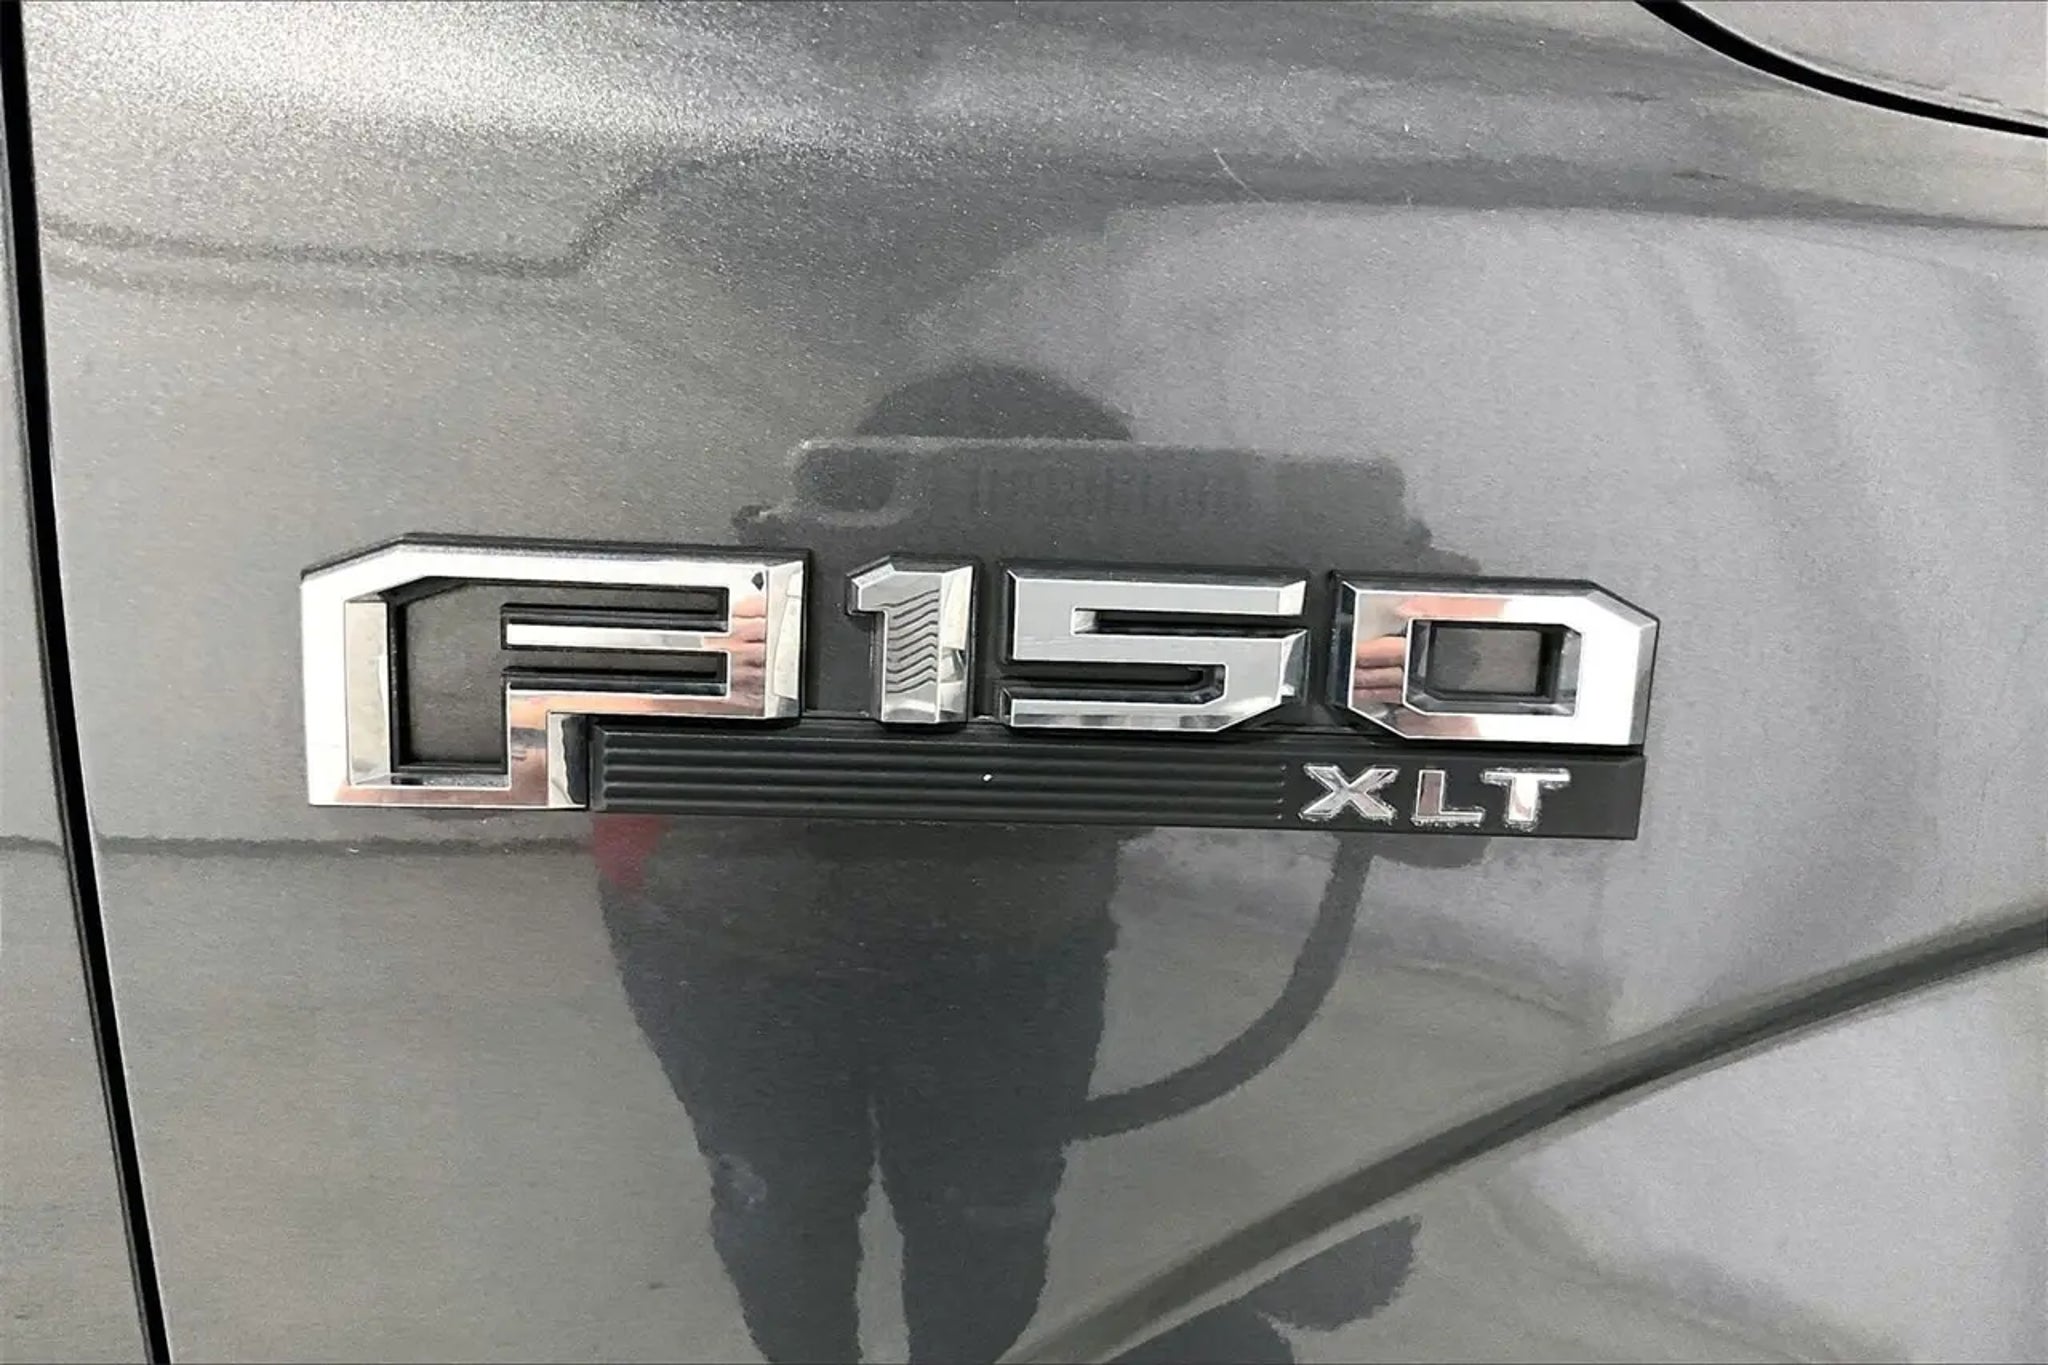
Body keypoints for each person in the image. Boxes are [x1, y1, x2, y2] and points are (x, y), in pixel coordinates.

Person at [597, 366, 1135, 1364]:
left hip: (982, 949)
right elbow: (615, 797)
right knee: (808, 1203)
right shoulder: (755, 603)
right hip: (745, 952)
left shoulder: (1125, 597)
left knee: (951, 1212)